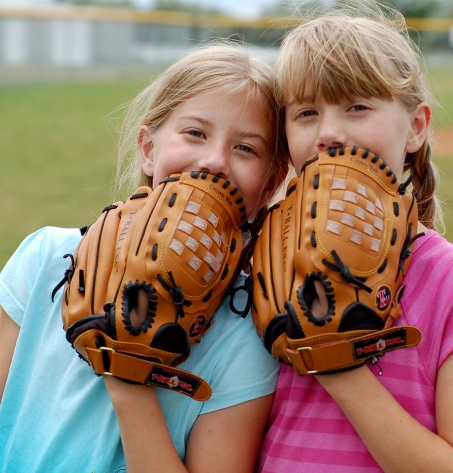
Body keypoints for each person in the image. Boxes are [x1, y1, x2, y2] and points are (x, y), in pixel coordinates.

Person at [0, 44, 288, 473]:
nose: (213, 161)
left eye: (245, 148)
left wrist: (126, 370)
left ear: (268, 187)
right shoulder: (46, 258)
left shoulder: (246, 333)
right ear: (149, 149)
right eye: (194, 133)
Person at [257, 0, 453, 473]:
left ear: (415, 127)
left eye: (357, 107)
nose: (328, 132)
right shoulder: (264, 266)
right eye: (305, 113)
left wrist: (331, 355)